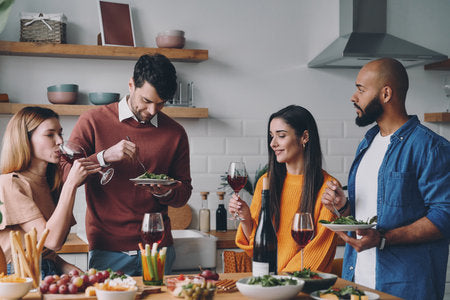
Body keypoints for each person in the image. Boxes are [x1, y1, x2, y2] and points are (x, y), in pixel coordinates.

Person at [321, 58, 450, 299]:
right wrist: (343, 207)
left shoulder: (430, 147)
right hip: (359, 283)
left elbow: (445, 215)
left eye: (361, 89)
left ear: (386, 93)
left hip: (406, 289)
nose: (353, 97)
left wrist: (383, 239)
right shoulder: (367, 143)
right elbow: (369, 214)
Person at [60, 54, 192, 275]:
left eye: (160, 104)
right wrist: (103, 156)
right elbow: (64, 176)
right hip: (108, 251)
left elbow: (184, 193)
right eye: (147, 101)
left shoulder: (176, 133)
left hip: (159, 250)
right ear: (131, 85)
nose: (152, 111)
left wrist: (166, 192)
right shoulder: (92, 121)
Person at [229, 105, 341, 273]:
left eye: (281, 136)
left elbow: (318, 252)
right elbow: (255, 250)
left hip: (304, 286)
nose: (273, 143)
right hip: (270, 282)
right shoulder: (265, 182)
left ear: (304, 137)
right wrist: (245, 218)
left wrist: (281, 282)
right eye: (271, 136)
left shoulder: (328, 187)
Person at [0, 106, 100, 276]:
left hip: (46, 268)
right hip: (19, 273)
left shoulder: (51, 182)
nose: (60, 141)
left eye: (60, 133)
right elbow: (52, 240)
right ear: (25, 139)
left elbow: (45, 247)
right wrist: (71, 184)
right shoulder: (10, 183)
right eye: (50, 134)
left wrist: (63, 266)